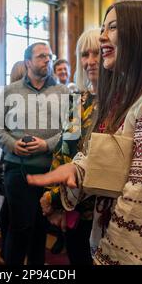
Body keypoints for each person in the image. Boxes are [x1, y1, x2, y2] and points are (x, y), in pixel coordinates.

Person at [27, 0, 142, 265]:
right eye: (103, 28)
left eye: (112, 27)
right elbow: (113, 157)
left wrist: (109, 259)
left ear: (141, 34)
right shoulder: (132, 95)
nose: (102, 37)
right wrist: (77, 171)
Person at [0, 42, 69, 265]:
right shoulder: (11, 91)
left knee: (40, 229)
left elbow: (71, 132)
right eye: (41, 56)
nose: (47, 60)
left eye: (50, 56)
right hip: (17, 170)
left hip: (50, 171)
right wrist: (12, 145)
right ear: (28, 63)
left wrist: (46, 145)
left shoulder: (63, 92)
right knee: (20, 227)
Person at [42, 28, 101, 265]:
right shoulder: (78, 99)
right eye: (84, 55)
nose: (90, 61)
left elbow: (99, 161)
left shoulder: (121, 100)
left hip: (102, 210)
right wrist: (57, 197)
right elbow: (62, 150)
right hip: (72, 205)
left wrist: (55, 198)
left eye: (96, 53)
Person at [0, 60, 28, 262]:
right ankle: (9, 252)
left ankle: (6, 249)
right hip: (18, 168)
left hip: (10, 165)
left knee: (9, 210)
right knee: (16, 218)